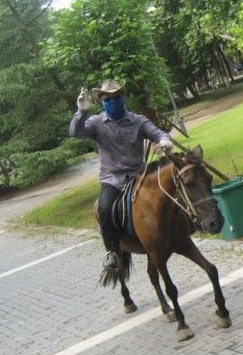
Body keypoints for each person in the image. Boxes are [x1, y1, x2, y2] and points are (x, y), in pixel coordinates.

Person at [70, 79, 175, 272]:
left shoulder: (138, 120)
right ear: (101, 101)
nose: (113, 100)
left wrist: (165, 140)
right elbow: (76, 132)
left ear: (123, 97)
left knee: (169, 189)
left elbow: (158, 133)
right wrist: (82, 111)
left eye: (117, 97)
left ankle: (185, 226)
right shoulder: (95, 123)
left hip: (140, 175)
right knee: (104, 208)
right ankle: (112, 251)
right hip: (113, 179)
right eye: (107, 98)